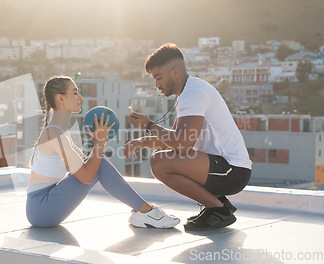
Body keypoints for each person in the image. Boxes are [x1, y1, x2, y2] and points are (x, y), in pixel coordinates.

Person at [124, 43, 252, 231]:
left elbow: (182, 144)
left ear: (175, 72)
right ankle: (218, 204)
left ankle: (218, 209)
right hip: (223, 167)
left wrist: (149, 125)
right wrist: (143, 142)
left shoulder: (194, 93)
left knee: (159, 162)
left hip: (232, 170)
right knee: (162, 158)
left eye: (158, 78)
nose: (156, 85)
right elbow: (174, 141)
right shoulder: (189, 92)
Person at [26, 75, 179, 228]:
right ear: (60, 98)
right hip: (41, 209)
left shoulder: (58, 132)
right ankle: (147, 212)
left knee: (99, 161)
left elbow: (89, 164)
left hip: (42, 208)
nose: (80, 97)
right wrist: (99, 142)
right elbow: (86, 176)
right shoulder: (54, 133)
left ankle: (144, 212)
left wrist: (99, 142)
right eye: (74, 92)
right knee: (99, 163)